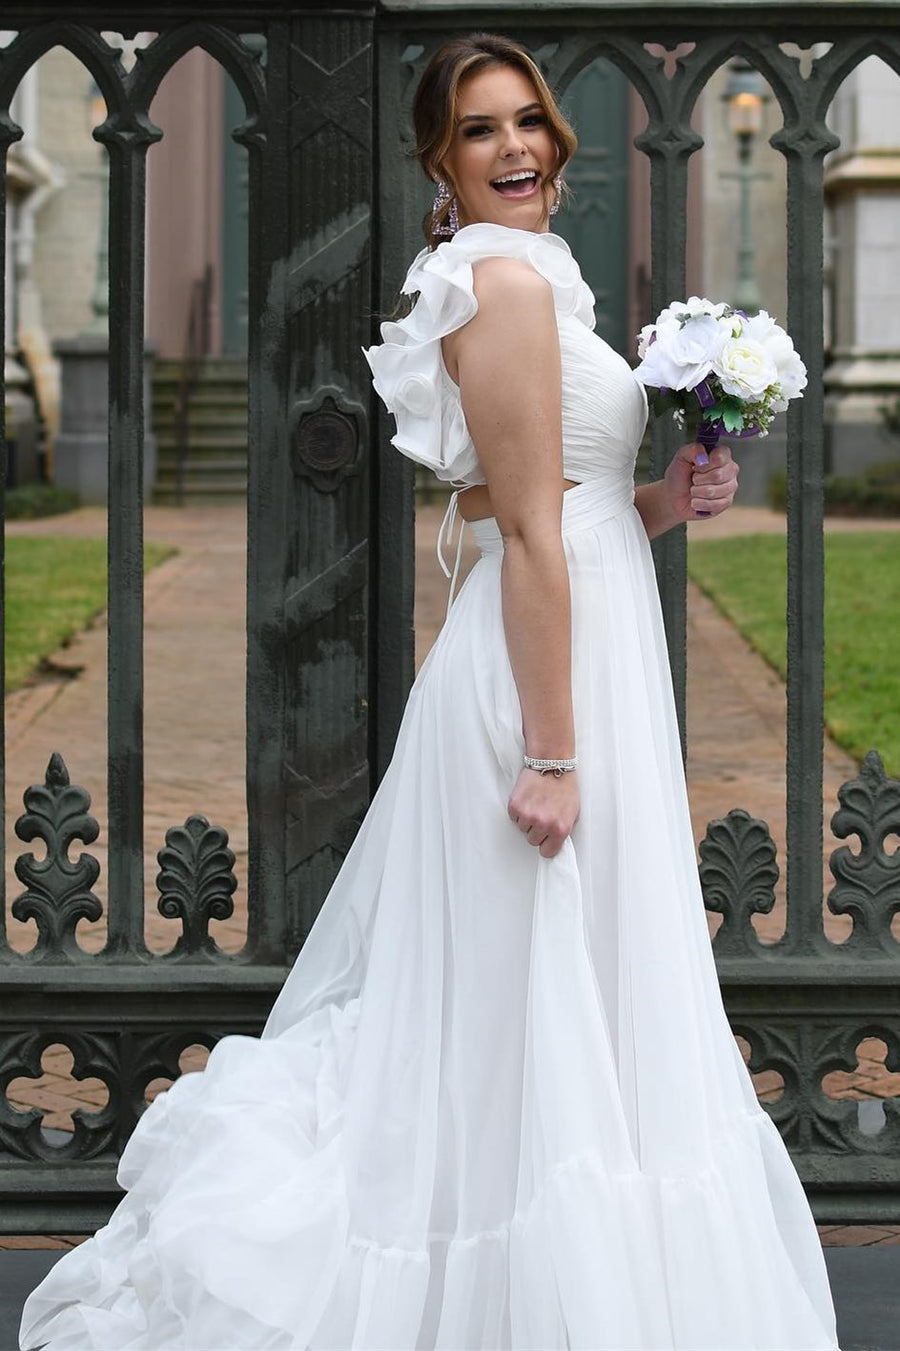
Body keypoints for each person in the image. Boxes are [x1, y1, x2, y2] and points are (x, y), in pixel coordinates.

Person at [19, 29, 840, 1351]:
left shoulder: (536, 281)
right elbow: (519, 534)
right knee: (527, 990)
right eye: (480, 130)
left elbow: (563, 507)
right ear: (437, 165)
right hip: (542, 683)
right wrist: (556, 755)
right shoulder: (500, 288)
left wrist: (667, 500)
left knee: (562, 996)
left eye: (527, 120)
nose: (516, 146)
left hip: (582, 638)